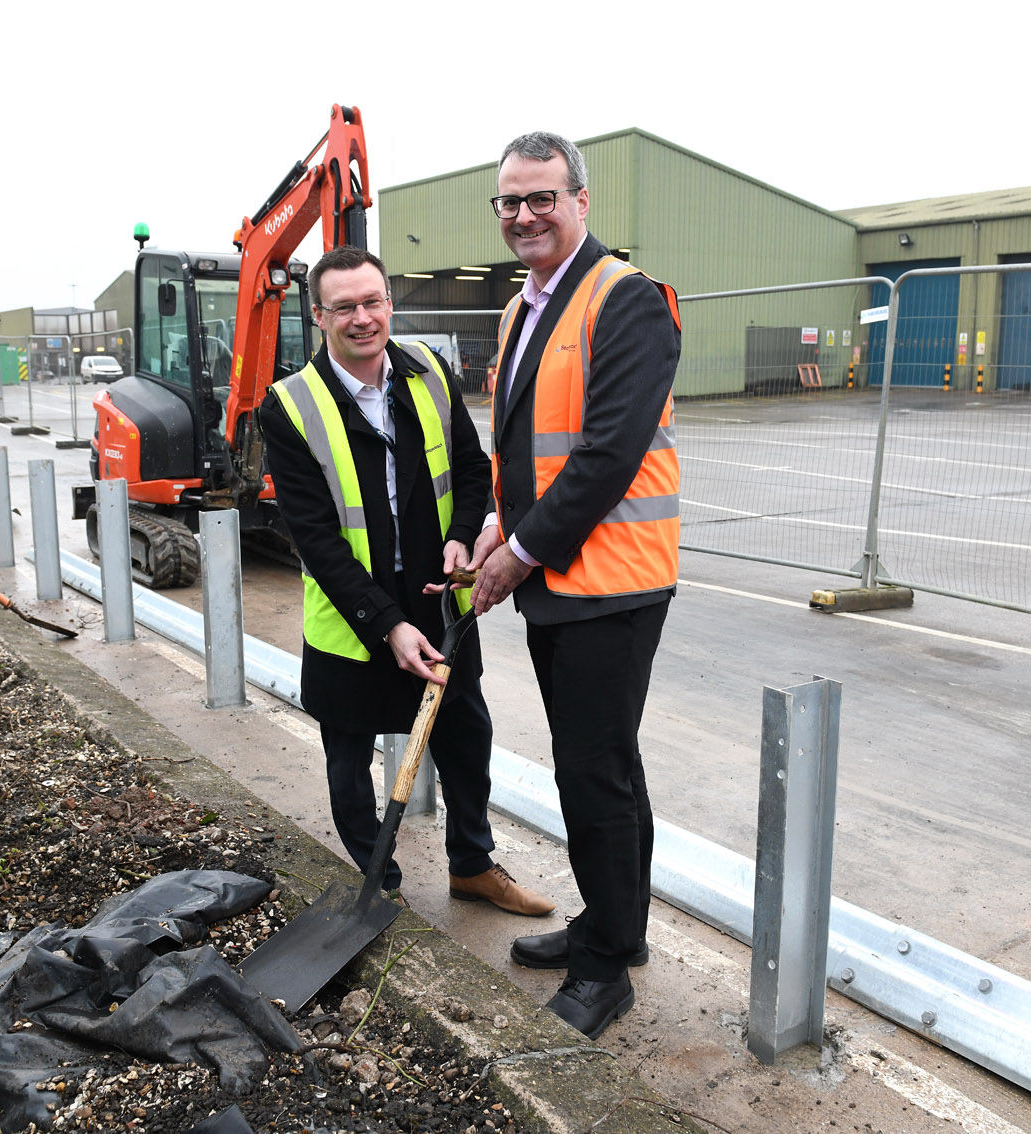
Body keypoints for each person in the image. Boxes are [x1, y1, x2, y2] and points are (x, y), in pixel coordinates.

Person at [258, 245, 555, 918]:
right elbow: (316, 540)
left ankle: (473, 867)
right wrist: (385, 624)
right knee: (349, 761)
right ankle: (378, 883)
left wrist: (462, 533)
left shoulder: (427, 371)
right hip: (353, 619)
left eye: (374, 302)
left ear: (389, 302)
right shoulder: (290, 406)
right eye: (345, 307)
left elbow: (474, 469)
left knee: (465, 739)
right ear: (319, 315)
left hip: (437, 603)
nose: (363, 318)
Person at [470, 131, 682, 1040]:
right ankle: (614, 927)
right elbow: (521, 445)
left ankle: (605, 972)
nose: (524, 215)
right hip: (561, 578)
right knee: (608, 766)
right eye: (510, 202)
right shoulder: (524, 308)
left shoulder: (625, 299)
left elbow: (605, 456)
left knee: (592, 774)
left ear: (581, 200)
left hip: (611, 582)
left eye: (541, 198)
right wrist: (493, 524)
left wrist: (518, 551)